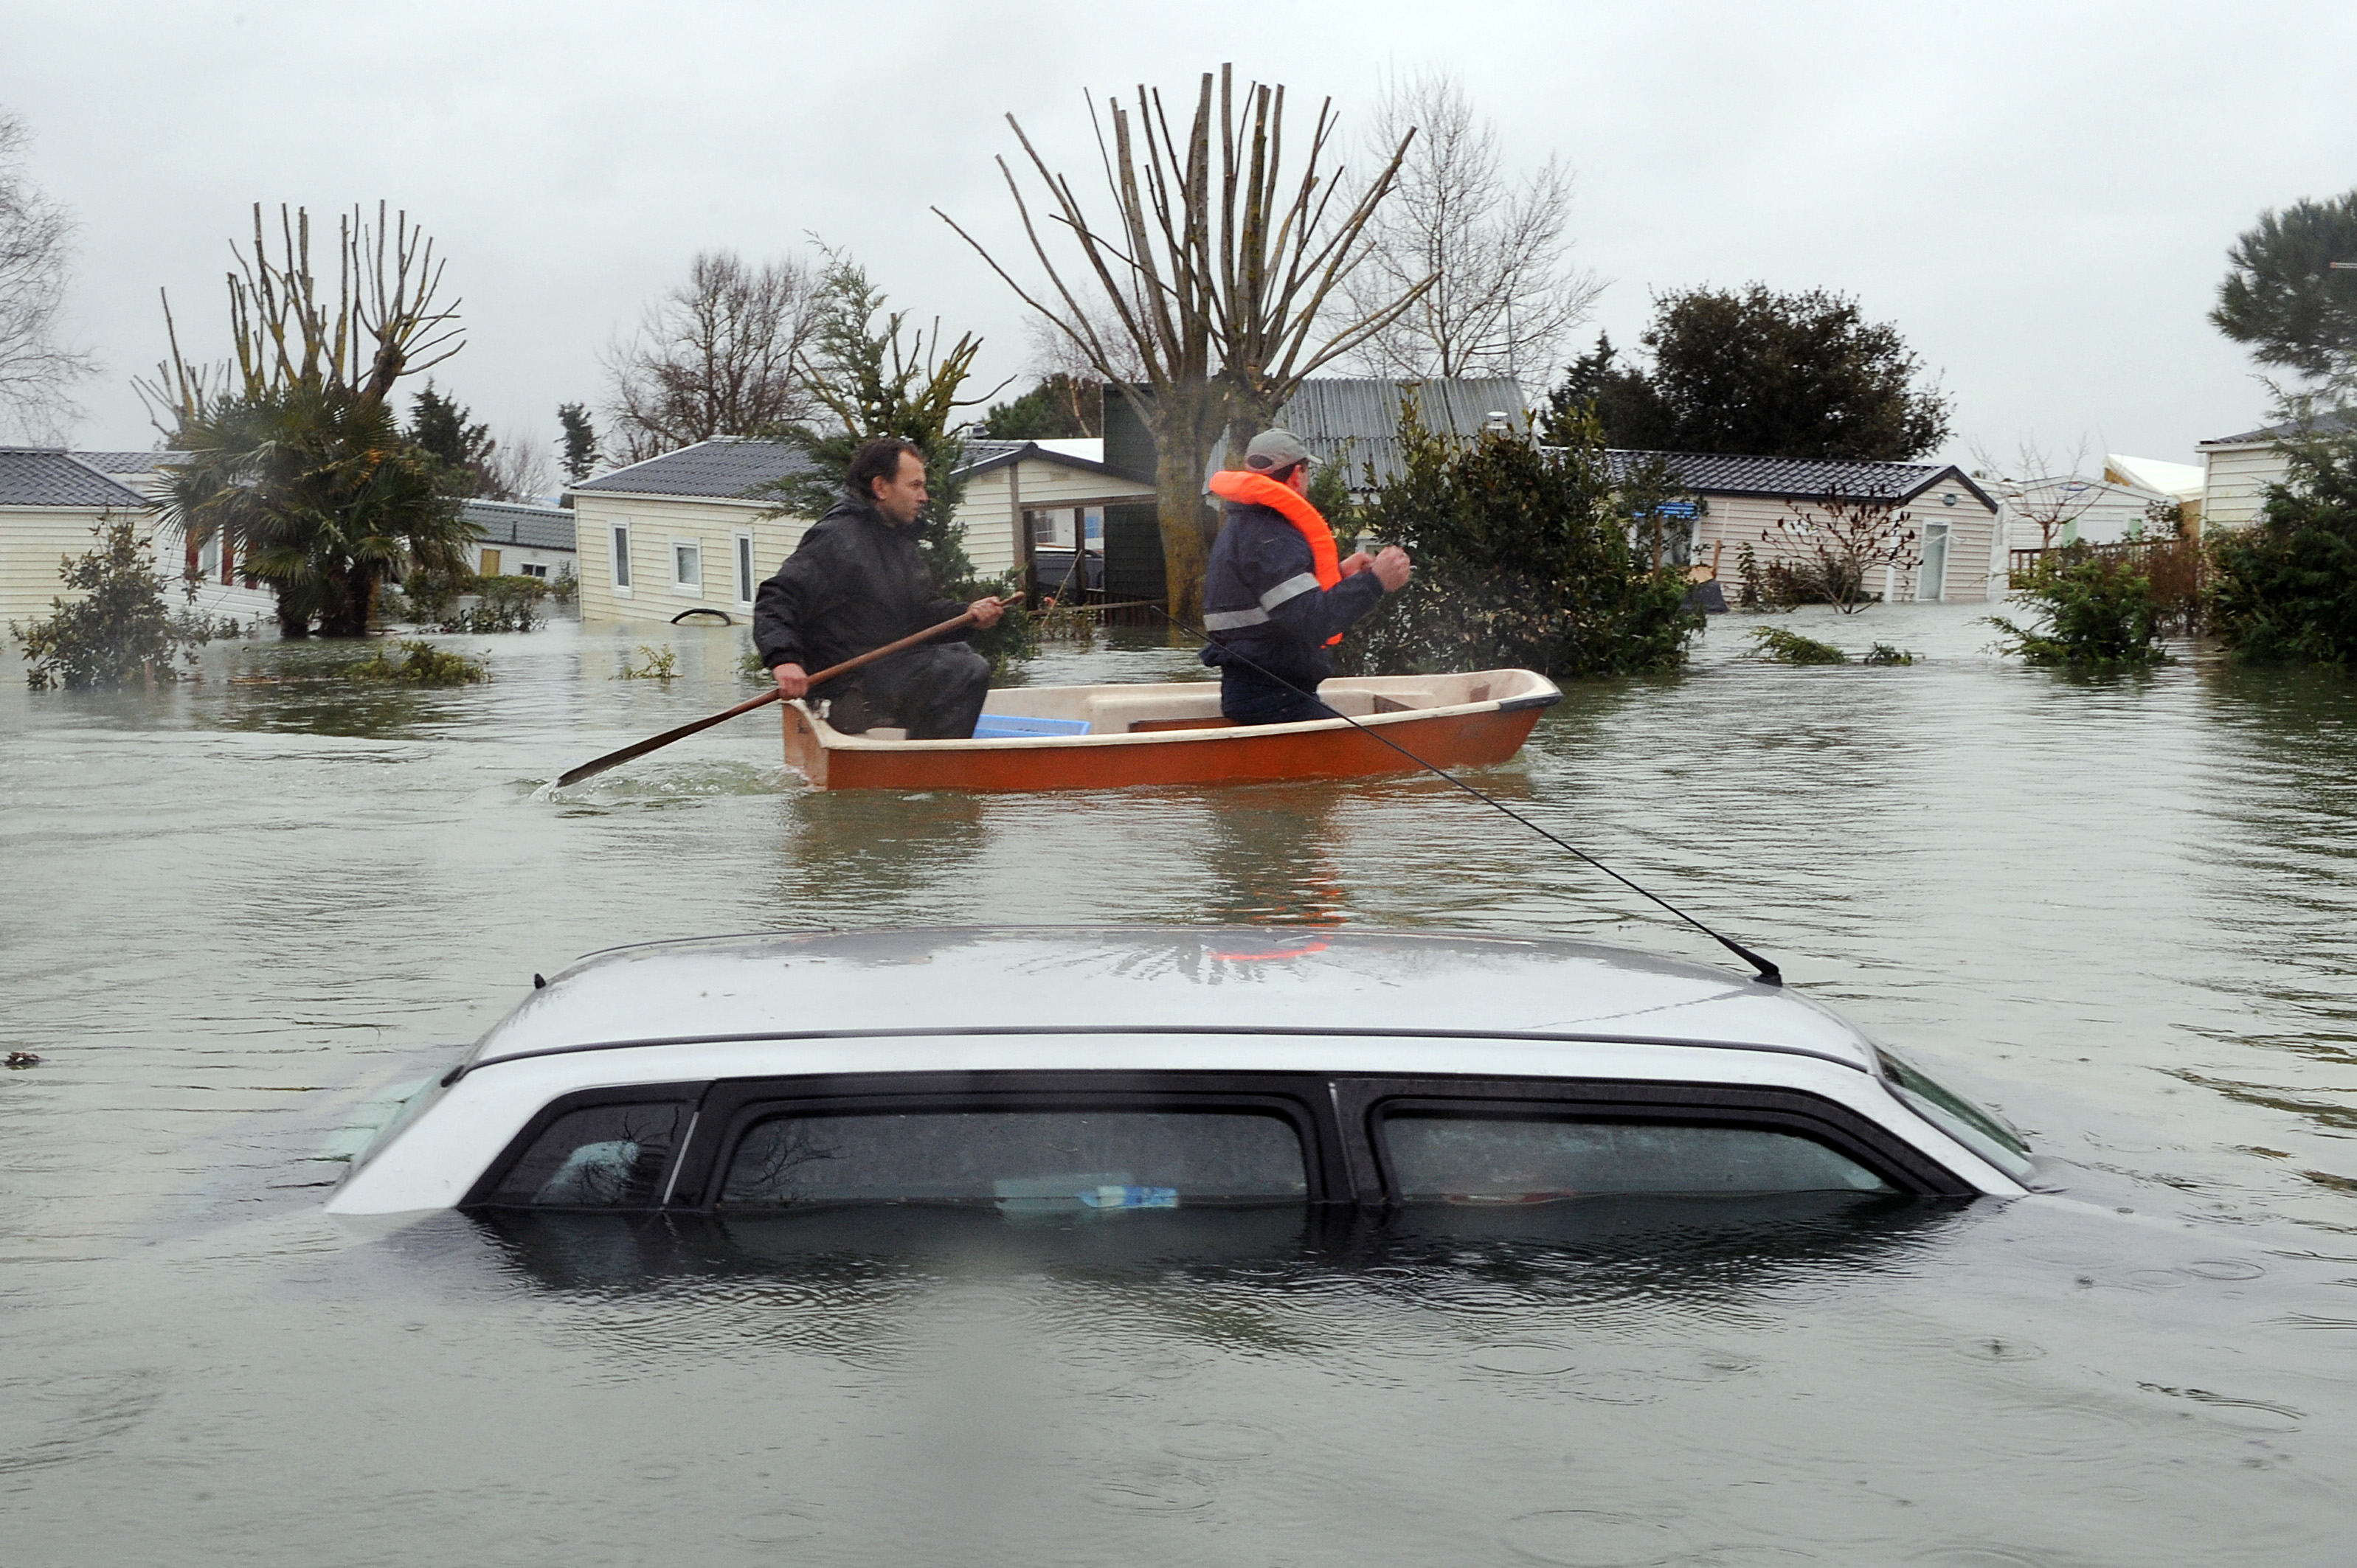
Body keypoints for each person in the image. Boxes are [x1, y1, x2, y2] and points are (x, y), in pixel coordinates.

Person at [752, 436, 1006, 739]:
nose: (924, 497)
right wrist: (785, 661)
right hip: (845, 691)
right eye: (915, 486)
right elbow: (776, 598)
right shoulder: (837, 540)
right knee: (965, 670)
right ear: (881, 488)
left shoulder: (898, 541)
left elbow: (923, 613)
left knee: (958, 651)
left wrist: (968, 614)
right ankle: (935, 771)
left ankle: (924, 759)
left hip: (881, 676)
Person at [1200, 428, 1412, 724]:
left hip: (1265, 694)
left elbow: (1276, 603)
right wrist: (1375, 582)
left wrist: (1340, 573)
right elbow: (1311, 622)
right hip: (1275, 702)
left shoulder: (1247, 528)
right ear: (1298, 474)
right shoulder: (1272, 537)